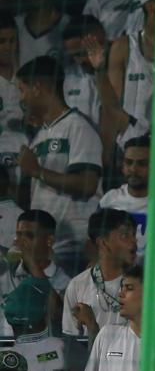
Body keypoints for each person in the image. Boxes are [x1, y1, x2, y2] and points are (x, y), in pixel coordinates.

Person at [17, 56, 101, 275]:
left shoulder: (79, 127)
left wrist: (37, 171)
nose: (21, 98)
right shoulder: (39, 137)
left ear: (38, 88)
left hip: (75, 249)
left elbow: (87, 184)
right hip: (46, 251)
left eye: (22, 89)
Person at [60, 209, 136, 340]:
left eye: (134, 235)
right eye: (125, 235)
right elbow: (71, 344)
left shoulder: (146, 283)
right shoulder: (77, 285)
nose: (134, 242)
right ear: (103, 242)